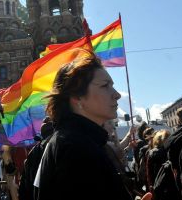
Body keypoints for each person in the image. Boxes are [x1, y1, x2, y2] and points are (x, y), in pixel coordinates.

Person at [35, 51, 133, 200]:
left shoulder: (71, 140)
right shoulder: (76, 148)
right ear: (76, 96)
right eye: (105, 86)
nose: (117, 94)